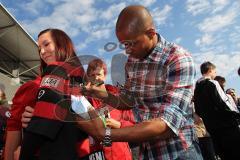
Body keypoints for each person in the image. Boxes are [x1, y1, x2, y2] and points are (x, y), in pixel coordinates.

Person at [76, 5, 202, 160]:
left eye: (132, 43)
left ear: (150, 33)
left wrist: (104, 134)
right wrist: (99, 94)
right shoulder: (132, 62)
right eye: (124, 45)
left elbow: (167, 126)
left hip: (178, 152)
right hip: (147, 151)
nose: (127, 50)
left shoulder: (177, 59)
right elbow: (128, 101)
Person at [5, 28, 85, 160]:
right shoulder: (32, 86)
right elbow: (14, 126)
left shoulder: (81, 82)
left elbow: (96, 124)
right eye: (39, 49)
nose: (42, 52)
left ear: (62, 44)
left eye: (46, 44)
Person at [194, 61, 240, 160]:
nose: (215, 74)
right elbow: (223, 103)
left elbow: (198, 110)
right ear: (210, 70)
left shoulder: (197, 88)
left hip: (212, 128)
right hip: (227, 126)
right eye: (215, 71)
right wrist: (237, 115)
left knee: (224, 155)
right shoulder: (213, 83)